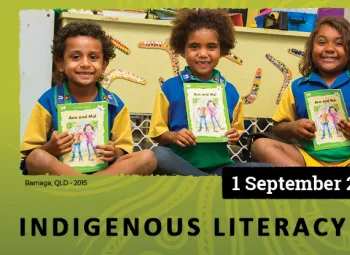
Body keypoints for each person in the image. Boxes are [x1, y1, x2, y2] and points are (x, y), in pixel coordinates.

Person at [251, 16, 350, 167]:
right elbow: (278, 128)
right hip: (308, 159)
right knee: (261, 145)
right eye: (322, 42)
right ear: (311, 50)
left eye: (339, 43)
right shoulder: (296, 87)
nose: (329, 49)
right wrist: (294, 127)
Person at [20, 21, 157, 175]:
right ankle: (93, 188)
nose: (85, 64)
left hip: (104, 171)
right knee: (37, 158)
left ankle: (86, 188)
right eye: (76, 57)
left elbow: (124, 151)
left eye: (93, 57)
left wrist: (114, 152)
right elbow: (29, 155)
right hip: (61, 173)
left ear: (104, 64)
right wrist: (50, 148)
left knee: (148, 157)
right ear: (60, 63)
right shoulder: (47, 101)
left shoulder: (115, 104)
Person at [149, 8, 271, 176]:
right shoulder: (169, 88)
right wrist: (174, 137)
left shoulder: (231, 91)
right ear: (182, 50)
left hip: (220, 167)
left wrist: (235, 135)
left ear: (222, 50)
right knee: (157, 155)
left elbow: (238, 130)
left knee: (268, 170)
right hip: (180, 166)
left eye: (211, 47)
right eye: (194, 46)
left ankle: (204, 182)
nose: (203, 54)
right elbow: (157, 133)